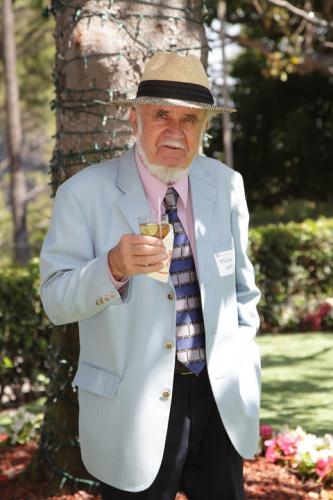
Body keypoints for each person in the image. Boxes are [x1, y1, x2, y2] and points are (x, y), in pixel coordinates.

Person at [40, 52, 261, 500]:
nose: (176, 132)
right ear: (134, 119)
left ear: (203, 128)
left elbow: (242, 292)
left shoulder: (227, 185)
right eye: (162, 114)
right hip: (131, 414)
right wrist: (112, 268)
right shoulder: (83, 194)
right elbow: (55, 300)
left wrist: (244, 367)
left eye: (191, 120)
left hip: (220, 401)